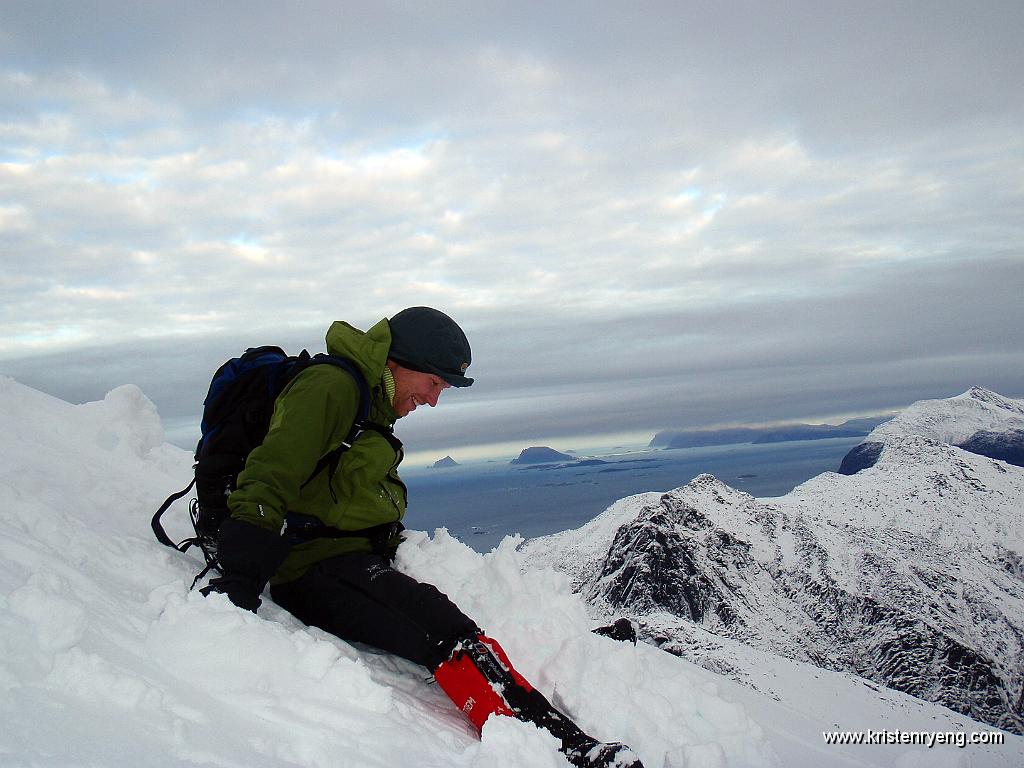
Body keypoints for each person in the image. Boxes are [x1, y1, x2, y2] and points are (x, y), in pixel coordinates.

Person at [202, 306, 643, 768]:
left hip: (345, 553)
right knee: (441, 627)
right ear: (399, 361)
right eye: (434, 383)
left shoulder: (369, 400)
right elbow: (271, 473)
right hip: (312, 565)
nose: (433, 400)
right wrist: (241, 575)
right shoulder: (331, 388)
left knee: (435, 618)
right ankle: (563, 748)